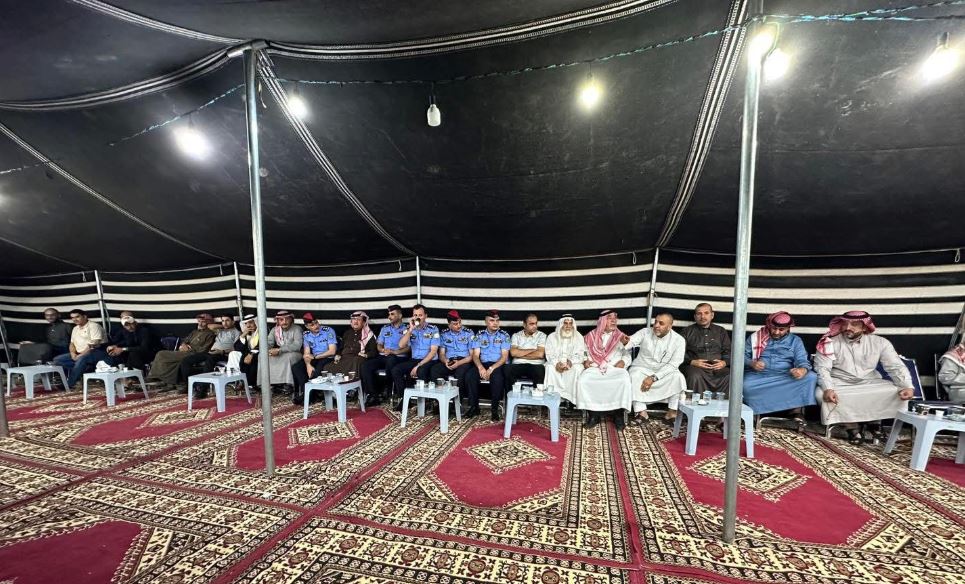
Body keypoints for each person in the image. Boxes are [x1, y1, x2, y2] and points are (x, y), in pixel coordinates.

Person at [813, 310, 915, 444]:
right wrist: (828, 388)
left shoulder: (880, 342)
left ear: (865, 327)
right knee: (821, 394)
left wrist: (907, 386)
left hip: (870, 381)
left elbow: (895, 366)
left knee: (895, 391)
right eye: (845, 324)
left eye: (854, 324)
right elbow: (822, 368)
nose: (848, 328)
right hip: (839, 382)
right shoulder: (829, 343)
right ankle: (852, 428)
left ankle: (875, 424)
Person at [742, 311, 817, 422]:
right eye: (774, 328)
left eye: (781, 329)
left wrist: (802, 369)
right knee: (745, 385)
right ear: (769, 325)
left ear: (788, 329)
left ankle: (796, 411)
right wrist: (752, 363)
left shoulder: (795, 341)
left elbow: (802, 359)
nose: (776, 332)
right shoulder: (756, 338)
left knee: (811, 377)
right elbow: (741, 355)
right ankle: (752, 411)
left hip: (785, 376)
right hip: (759, 376)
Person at [624, 311, 687, 425]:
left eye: (661, 323)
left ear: (669, 326)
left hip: (664, 371)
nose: (656, 325)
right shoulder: (645, 332)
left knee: (678, 377)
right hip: (642, 368)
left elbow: (674, 364)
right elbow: (631, 341)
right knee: (633, 375)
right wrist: (625, 342)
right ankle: (641, 412)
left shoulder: (679, 340)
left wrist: (654, 377)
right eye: (656, 322)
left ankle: (671, 413)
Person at [576, 309, 632, 430]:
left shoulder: (621, 337)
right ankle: (593, 415)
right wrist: (585, 360)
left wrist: (623, 361)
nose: (614, 320)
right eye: (610, 318)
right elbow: (583, 352)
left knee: (624, 380)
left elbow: (627, 354)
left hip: (614, 368)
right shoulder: (590, 336)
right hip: (595, 367)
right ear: (602, 321)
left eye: (615, 318)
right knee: (584, 381)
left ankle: (618, 415)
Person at [146, 313, 217, 388]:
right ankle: (166, 380)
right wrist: (183, 345)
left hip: (192, 354)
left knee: (161, 354)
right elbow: (185, 340)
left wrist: (189, 348)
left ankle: (155, 377)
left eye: (203, 322)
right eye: (199, 321)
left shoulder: (210, 334)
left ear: (209, 323)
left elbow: (204, 350)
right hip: (183, 351)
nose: (200, 324)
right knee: (172, 361)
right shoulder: (195, 332)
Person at [390, 304, 440, 410]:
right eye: (415, 315)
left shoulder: (433, 329)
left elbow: (433, 352)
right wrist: (410, 330)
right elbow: (401, 345)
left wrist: (418, 366)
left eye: (420, 315)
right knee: (396, 370)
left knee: (421, 371)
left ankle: (425, 401)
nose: (418, 317)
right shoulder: (410, 329)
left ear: (425, 316)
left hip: (429, 360)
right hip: (414, 359)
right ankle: (404, 399)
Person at [465, 310, 511, 420]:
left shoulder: (504, 335)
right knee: (470, 376)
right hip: (483, 363)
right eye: (492, 320)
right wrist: (480, 367)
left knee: (497, 378)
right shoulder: (479, 335)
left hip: (497, 364)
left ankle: (494, 410)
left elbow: (504, 357)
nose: (495, 323)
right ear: (486, 322)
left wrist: (491, 368)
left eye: (497, 320)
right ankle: (474, 407)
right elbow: (475, 355)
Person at [176, 314, 238, 397]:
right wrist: (224, 326)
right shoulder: (220, 330)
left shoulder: (237, 333)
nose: (224, 323)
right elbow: (210, 326)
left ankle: (202, 390)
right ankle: (189, 386)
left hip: (223, 354)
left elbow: (236, 348)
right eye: (223, 321)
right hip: (211, 352)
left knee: (209, 361)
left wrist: (221, 351)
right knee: (186, 360)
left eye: (227, 320)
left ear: (233, 322)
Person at [361, 304, 409, 407]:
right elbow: (379, 344)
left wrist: (395, 352)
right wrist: (382, 349)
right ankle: (373, 395)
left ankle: (387, 388)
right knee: (366, 365)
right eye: (389, 314)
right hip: (384, 355)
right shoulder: (385, 328)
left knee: (391, 360)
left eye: (392, 314)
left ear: (400, 316)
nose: (389, 316)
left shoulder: (407, 329)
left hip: (399, 357)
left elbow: (409, 347)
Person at [681, 303, 731, 394]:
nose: (702, 316)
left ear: (712, 315)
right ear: (695, 316)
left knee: (730, 375)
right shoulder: (686, 331)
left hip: (718, 367)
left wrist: (724, 363)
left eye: (706, 313)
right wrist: (692, 362)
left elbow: (728, 351)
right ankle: (696, 402)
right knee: (694, 376)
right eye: (699, 314)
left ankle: (723, 403)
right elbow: (679, 353)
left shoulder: (721, 331)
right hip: (695, 367)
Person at [51, 309, 107, 390]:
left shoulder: (94, 326)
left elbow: (93, 345)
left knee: (81, 360)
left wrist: (80, 356)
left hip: (97, 351)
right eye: (72, 318)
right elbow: (72, 344)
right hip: (79, 352)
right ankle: (82, 370)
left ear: (85, 316)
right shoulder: (75, 328)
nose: (75, 319)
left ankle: (70, 384)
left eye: (77, 317)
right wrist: (73, 354)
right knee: (57, 360)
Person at [291, 312, 338, 401]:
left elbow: (332, 351)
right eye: (312, 325)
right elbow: (306, 354)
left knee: (317, 370)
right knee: (296, 367)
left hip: (327, 357)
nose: (316, 326)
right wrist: (308, 365)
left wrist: (316, 357)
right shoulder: (306, 334)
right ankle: (307, 393)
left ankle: (308, 396)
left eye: (316, 323)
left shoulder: (328, 331)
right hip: (315, 357)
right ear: (307, 326)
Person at [428, 310, 474, 396]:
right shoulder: (444, 334)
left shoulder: (468, 333)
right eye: (455, 324)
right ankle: (439, 398)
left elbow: (472, 356)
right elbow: (441, 354)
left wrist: (458, 363)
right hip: (450, 360)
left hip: (464, 361)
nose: (459, 325)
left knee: (460, 373)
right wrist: (446, 361)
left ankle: (458, 401)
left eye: (459, 322)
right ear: (449, 325)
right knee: (435, 370)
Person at [543, 314, 586, 405]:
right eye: (565, 323)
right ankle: (551, 399)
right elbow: (549, 353)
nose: (568, 326)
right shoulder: (552, 337)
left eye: (570, 323)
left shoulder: (579, 337)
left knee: (578, 368)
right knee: (549, 368)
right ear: (560, 324)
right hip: (556, 363)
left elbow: (580, 354)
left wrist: (571, 362)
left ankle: (571, 401)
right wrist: (556, 363)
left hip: (572, 364)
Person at [323, 311, 377, 376]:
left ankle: (350, 381)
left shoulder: (369, 334)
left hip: (357, 358)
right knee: (327, 367)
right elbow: (341, 348)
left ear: (363, 322)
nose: (355, 322)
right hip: (344, 358)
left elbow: (374, 351)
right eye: (354, 319)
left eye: (359, 319)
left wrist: (366, 355)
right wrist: (338, 355)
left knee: (356, 361)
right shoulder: (347, 333)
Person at [266, 310, 304, 391]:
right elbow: (269, 342)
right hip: (280, 352)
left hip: (295, 353)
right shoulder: (275, 330)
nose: (284, 322)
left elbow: (297, 345)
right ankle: (271, 383)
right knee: (263, 356)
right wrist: (268, 350)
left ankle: (288, 384)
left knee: (289, 357)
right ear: (278, 321)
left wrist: (280, 350)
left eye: (287, 319)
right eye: (281, 320)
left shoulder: (297, 329)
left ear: (291, 319)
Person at [509, 313, 546, 387]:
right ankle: (509, 394)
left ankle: (537, 393)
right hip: (518, 364)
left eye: (536, 323)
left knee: (540, 370)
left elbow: (540, 354)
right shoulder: (516, 336)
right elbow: (513, 353)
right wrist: (533, 350)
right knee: (507, 369)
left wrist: (519, 354)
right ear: (524, 325)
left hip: (536, 365)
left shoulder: (542, 336)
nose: (535, 326)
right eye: (531, 324)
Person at [233, 315, 260, 387]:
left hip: (259, 354)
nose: (248, 325)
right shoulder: (247, 333)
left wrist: (251, 354)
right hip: (248, 355)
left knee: (253, 360)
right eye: (246, 323)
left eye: (250, 322)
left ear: (256, 322)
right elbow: (237, 347)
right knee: (235, 354)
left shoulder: (262, 330)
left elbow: (262, 344)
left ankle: (251, 384)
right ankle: (240, 380)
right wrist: (243, 335)